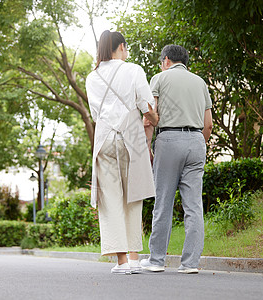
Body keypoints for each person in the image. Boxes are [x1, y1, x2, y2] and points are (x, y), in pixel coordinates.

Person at [86, 30, 159, 274]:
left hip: (104, 137)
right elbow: (146, 105)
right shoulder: (133, 69)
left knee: (111, 199)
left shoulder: (92, 76)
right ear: (122, 47)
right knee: (134, 194)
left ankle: (122, 262)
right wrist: (154, 119)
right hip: (131, 135)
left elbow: (96, 114)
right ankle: (136, 258)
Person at [140, 44, 213, 274]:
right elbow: (208, 124)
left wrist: (148, 147)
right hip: (196, 141)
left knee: (163, 202)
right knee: (194, 206)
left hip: (169, 140)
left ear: (166, 60)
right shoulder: (200, 82)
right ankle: (190, 263)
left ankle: (157, 260)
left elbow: (150, 117)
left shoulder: (159, 79)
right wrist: (197, 143)